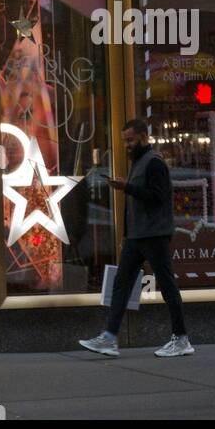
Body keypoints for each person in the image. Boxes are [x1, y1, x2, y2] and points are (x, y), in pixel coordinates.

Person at [79, 118, 193, 358]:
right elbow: (135, 204)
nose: (127, 145)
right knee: (121, 282)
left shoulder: (154, 163)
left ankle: (181, 338)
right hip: (138, 235)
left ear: (143, 137)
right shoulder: (139, 161)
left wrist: (126, 187)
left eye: (130, 140)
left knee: (166, 284)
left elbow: (158, 197)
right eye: (125, 141)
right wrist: (127, 234)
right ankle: (109, 337)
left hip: (154, 234)